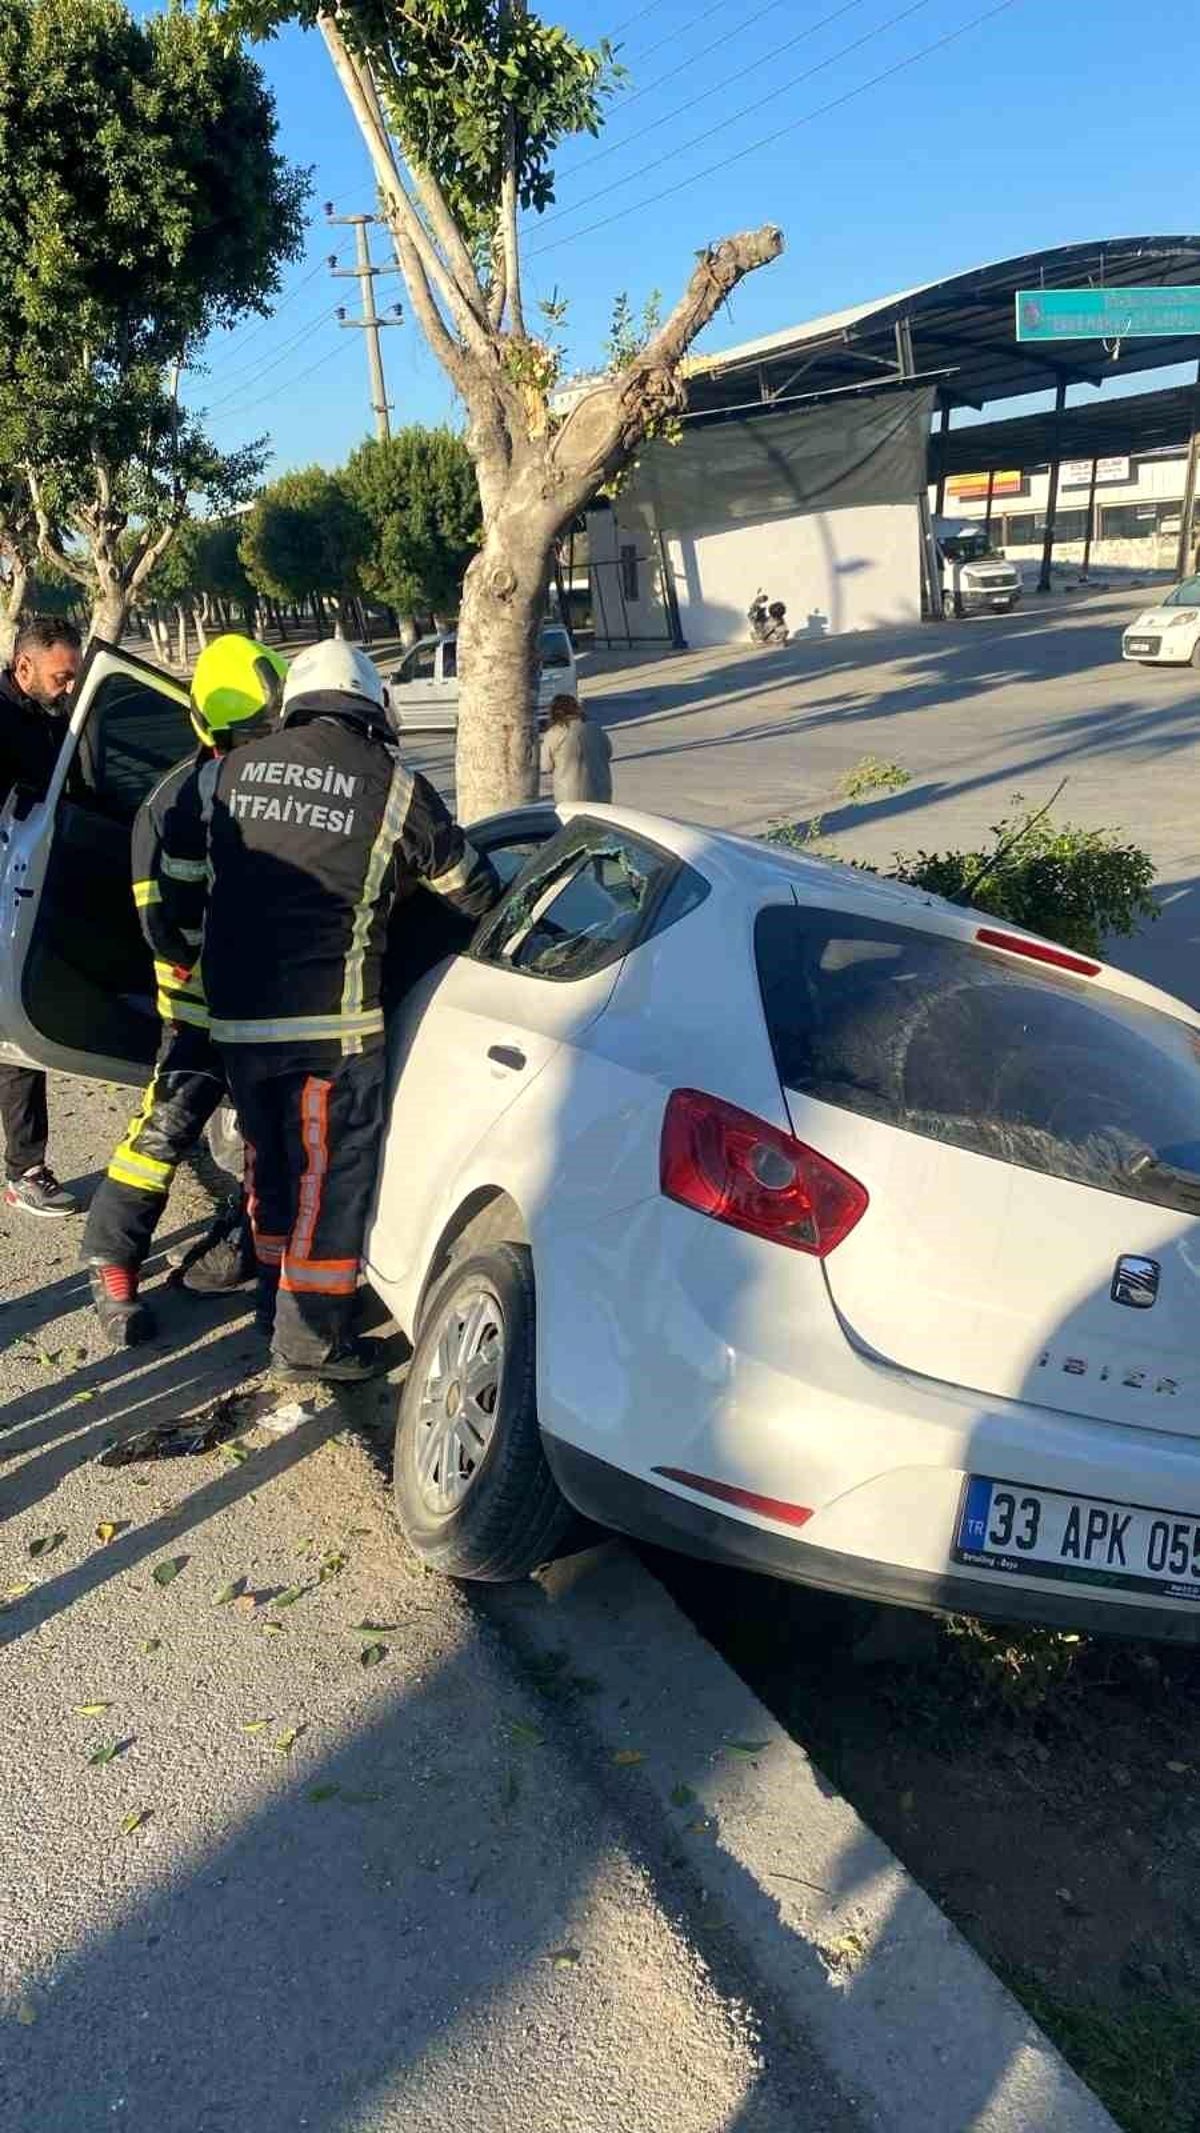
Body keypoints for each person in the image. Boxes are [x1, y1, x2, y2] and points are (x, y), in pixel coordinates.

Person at [203, 639, 500, 1384]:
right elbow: (474, 890)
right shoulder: (393, 787)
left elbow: (192, 877)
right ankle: (310, 1341)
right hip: (328, 1030)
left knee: (268, 1167)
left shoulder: (231, 772)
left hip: (237, 1020)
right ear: (372, 707)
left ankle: (274, 1306)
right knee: (325, 1184)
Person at [80, 635, 288, 1346]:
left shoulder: (275, 791)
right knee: (164, 1130)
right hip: (200, 1009)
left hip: (269, 1011)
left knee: (270, 1140)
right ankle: (111, 1265)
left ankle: (240, 1249)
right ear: (208, 725)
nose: (258, 749)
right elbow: (162, 925)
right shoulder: (171, 805)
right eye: (248, 736)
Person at [0, 615, 83, 1216]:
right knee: (12, 1038)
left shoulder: (53, 719)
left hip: (29, 889)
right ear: (24, 667)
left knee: (14, 1036)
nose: (69, 687)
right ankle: (24, 1168)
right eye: (62, 677)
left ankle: (24, 1165)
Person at [539, 693, 613, 804]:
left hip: (569, 795)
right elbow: (608, 752)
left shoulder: (555, 732)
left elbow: (545, 765)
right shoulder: (596, 729)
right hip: (601, 792)